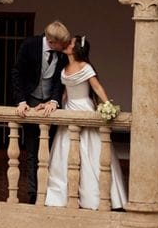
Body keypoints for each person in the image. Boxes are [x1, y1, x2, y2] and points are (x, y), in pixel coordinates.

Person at [45, 34, 127, 210]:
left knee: (90, 150)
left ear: (76, 48)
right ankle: (61, 195)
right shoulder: (64, 67)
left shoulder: (85, 66)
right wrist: (54, 104)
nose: (67, 44)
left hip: (84, 108)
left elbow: (97, 87)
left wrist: (107, 105)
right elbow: (65, 92)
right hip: (69, 108)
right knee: (65, 150)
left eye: (71, 43)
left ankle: (94, 196)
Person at [11, 20, 71, 204]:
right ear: (52, 41)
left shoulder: (61, 55)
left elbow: (58, 80)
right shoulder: (30, 45)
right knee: (32, 150)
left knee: (51, 148)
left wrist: (54, 100)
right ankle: (33, 193)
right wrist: (21, 101)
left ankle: (49, 192)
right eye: (62, 44)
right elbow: (17, 73)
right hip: (30, 99)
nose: (65, 47)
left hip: (49, 103)